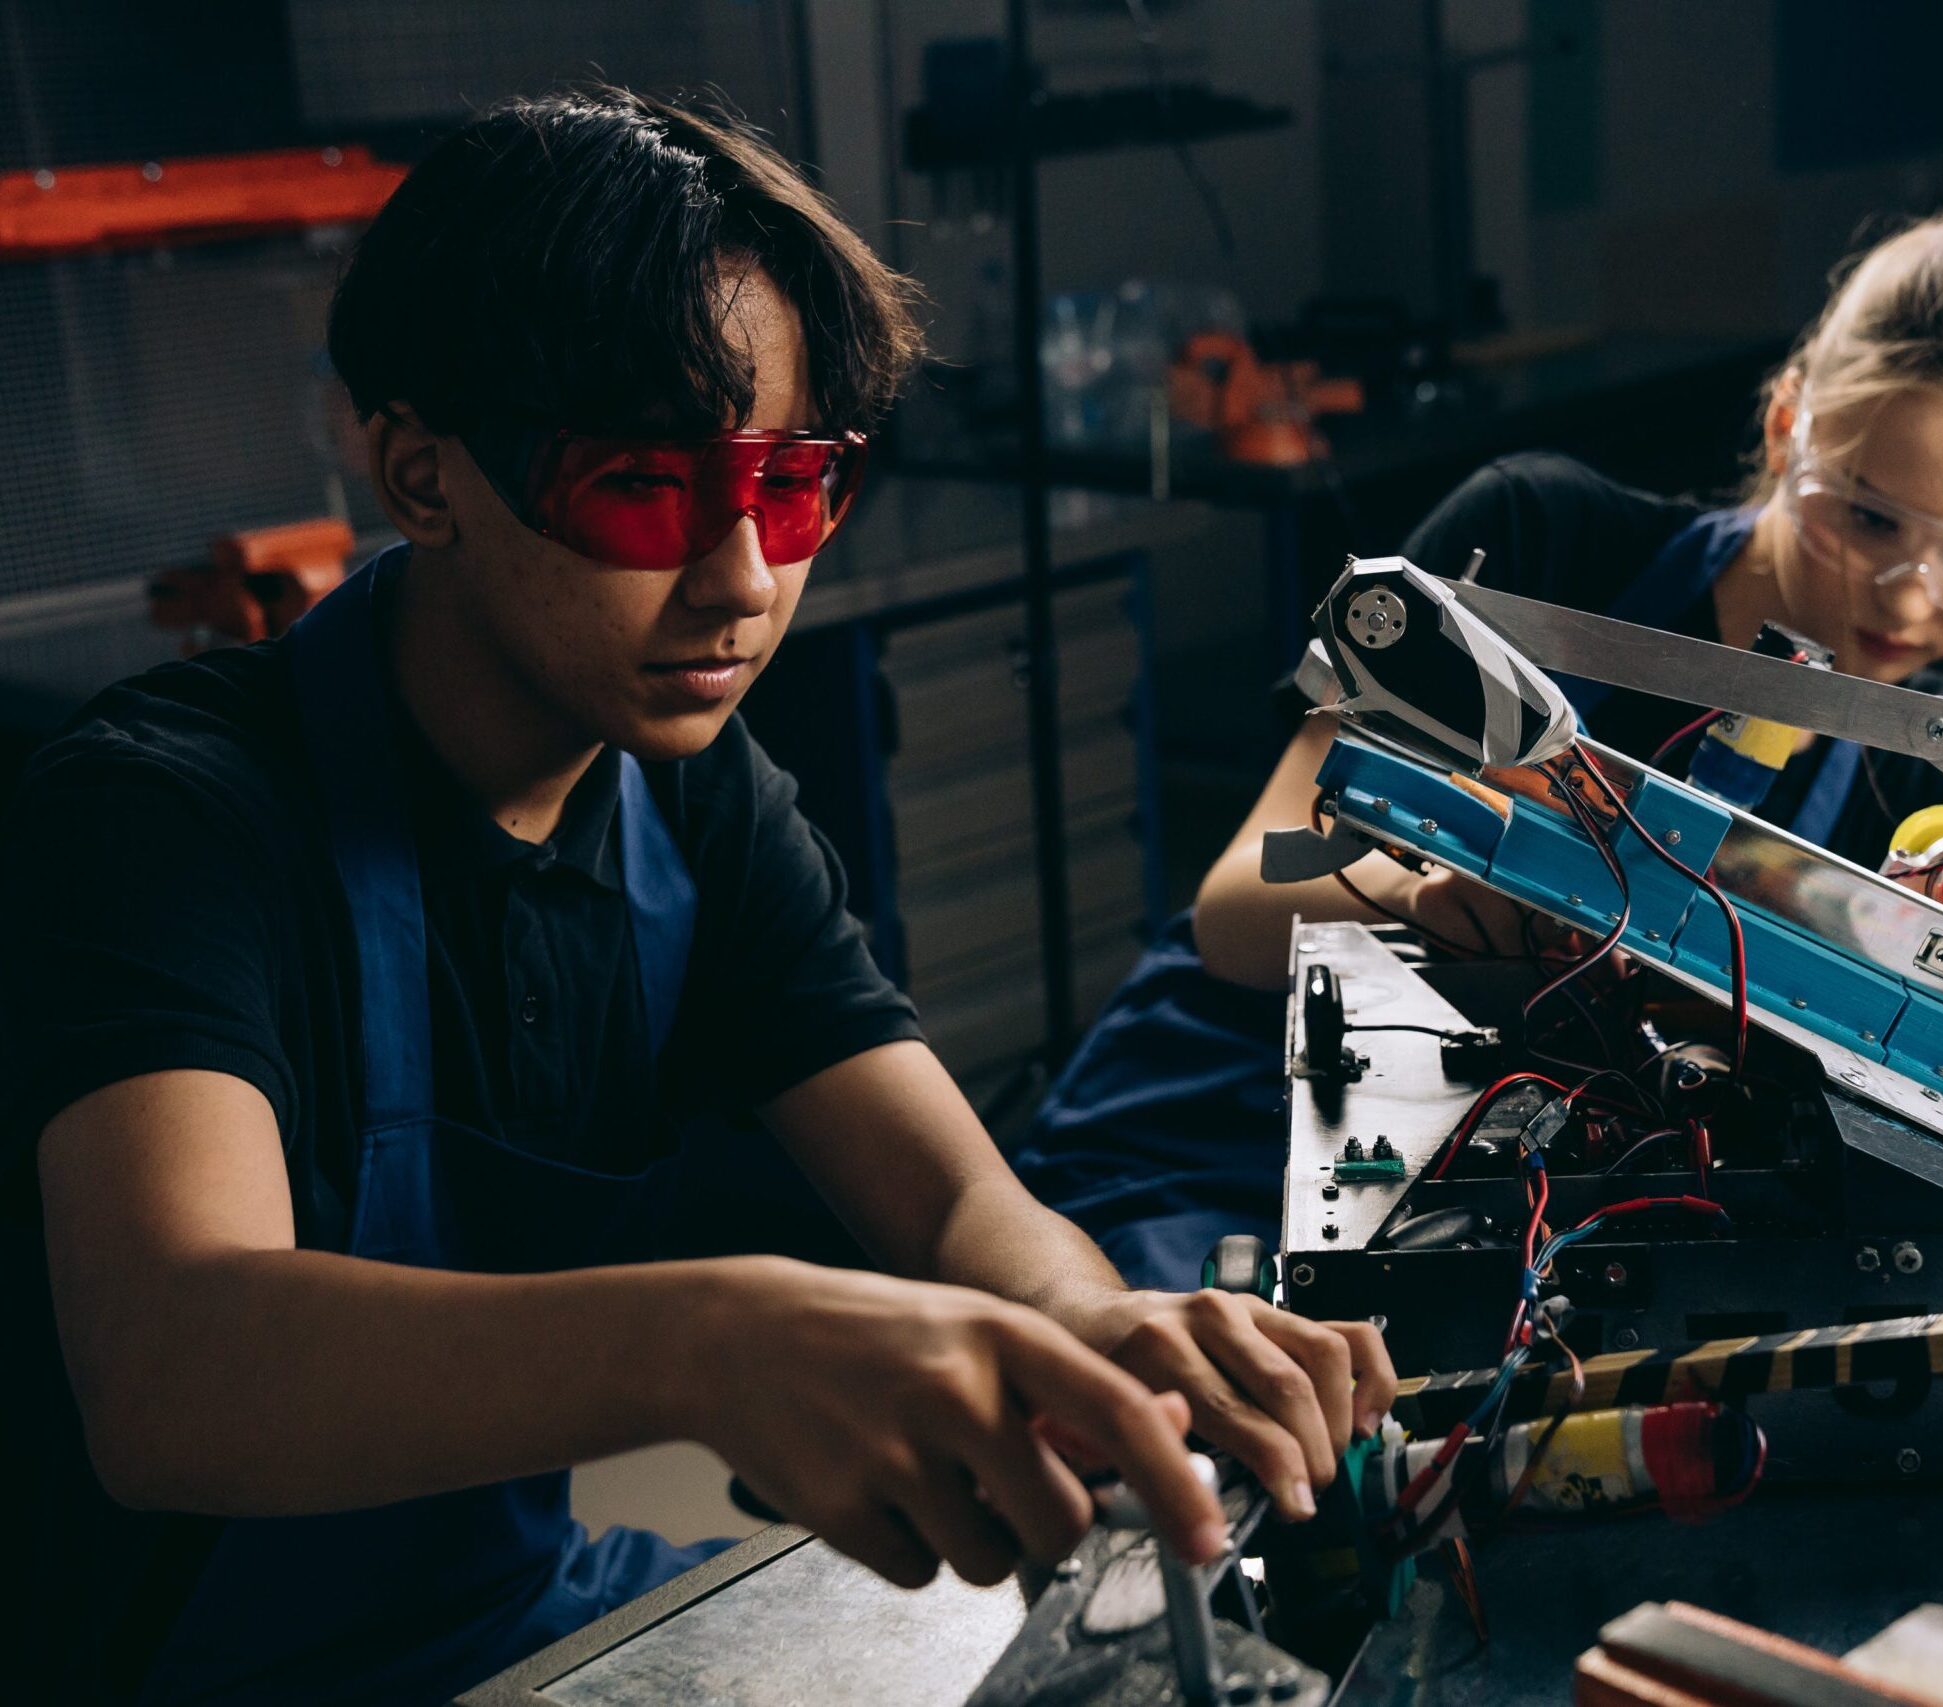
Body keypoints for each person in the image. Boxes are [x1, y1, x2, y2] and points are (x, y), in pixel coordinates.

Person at [5, 89, 1393, 1706]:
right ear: (420, 474)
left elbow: (948, 1203)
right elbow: (176, 1366)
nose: (744, 578)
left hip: (522, 1619)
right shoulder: (171, 814)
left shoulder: (686, 797)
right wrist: (717, 1341)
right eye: (643, 490)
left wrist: (1100, 1335)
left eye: (796, 484)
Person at [1015, 173, 1943, 1291]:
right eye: (1868, 520)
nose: (1913, 598)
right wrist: (1445, 890)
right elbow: (1236, 910)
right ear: (1789, 422)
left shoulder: (1907, 779)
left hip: (1474, 1215)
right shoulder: (1543, 541)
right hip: (1201, 1148)